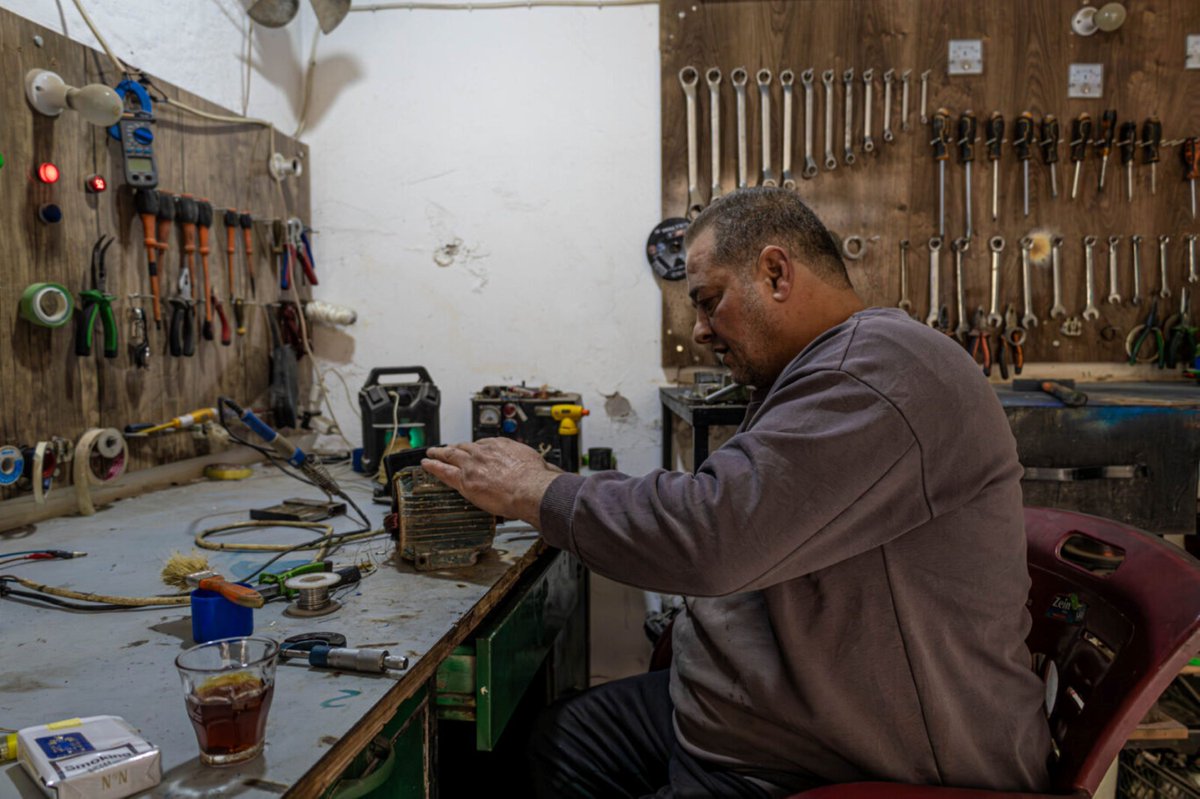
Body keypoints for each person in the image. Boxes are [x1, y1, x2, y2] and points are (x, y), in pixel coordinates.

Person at [422, 188, 1052, 798]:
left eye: (709, 301)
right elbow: (731, 507)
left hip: (849, 757)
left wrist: (536, 489)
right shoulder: (826, 368)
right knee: (556, 742)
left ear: (776, 273)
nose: (700, 330)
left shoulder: (878, 372)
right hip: (767, 714)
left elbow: (712, 536)